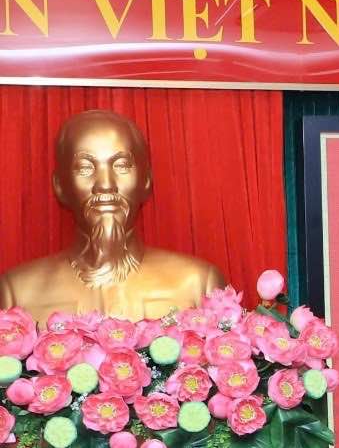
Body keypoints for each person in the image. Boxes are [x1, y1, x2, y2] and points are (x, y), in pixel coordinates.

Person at [0, 109, 223, 319]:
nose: (105, 185)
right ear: (60, 186)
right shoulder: (17, 294)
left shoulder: (199, 285)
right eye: (86, 167)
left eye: (122, 165)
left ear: (146, 180)